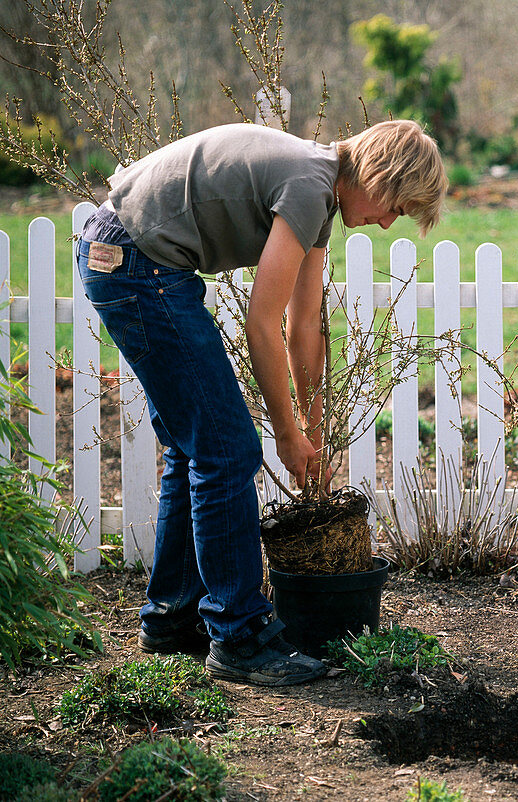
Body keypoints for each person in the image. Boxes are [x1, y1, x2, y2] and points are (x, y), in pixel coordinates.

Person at [76, 120, 447, 686]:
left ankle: (172, 618)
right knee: (227, 451)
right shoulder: (310, 183)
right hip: (136, 260)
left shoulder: (318, 190)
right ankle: (240, 637)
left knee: (192, 446)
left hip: (128, 254)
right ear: (377, 173)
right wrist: (284, 433)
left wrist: (311, 423)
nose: (389, 221)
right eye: (395, 205)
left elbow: (303, 326)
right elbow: (261, 325)